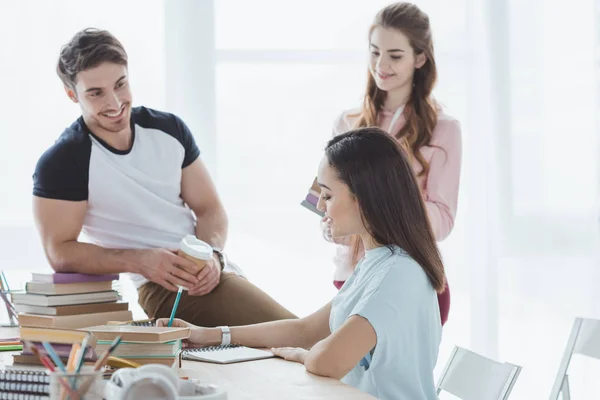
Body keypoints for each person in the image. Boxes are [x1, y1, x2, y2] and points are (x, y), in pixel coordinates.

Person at [32, 28, 295, 326]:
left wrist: (212, 254)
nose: (116, 103)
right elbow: (60, 251)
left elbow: (210, 209)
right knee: (300, 335)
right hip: (160, 286)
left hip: (212, 270)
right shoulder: (65, 160)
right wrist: (141, 260)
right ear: (72, 94)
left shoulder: (169, 129)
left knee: (305, 337)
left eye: (121, 84)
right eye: (96, 93)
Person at [160, 128, 445, 400]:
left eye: (328, 195)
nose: (320, 205)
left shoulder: (398, 273)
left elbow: (327, 361)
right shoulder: (378, 263)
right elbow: (306, 330)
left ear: (364, 197)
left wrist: (304, 355)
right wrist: (209, 336)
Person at [327, 2, 462, 325]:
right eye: (374, 52)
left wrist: (375, 213)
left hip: (410, 278)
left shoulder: (445, 128)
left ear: (420, 58)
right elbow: (318, 197)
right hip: (352, 275)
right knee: (342, 375)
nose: (381, 65)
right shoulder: (347, 122)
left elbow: (443, 219)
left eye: (395, 55)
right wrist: (328, 221)